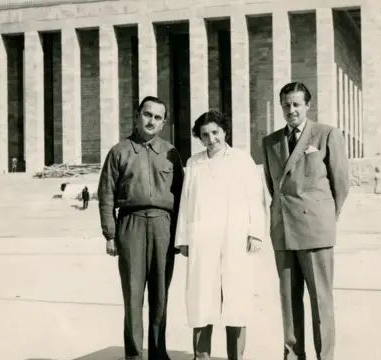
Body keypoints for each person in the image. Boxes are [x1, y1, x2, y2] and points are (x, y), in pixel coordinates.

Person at [262, 82, 349, 360]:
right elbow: (272, 184)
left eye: (296, 104)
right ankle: (292, 354)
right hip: (284, 230)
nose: (291, 110)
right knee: (289, 301)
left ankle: (325, 356)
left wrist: (324, 217)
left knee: (320, 300)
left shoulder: (325, 134)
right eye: (286, 105)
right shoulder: (271, 142)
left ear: (307, 105)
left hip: (315, 230)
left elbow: (342, 183)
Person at [175, 110, 267, 360]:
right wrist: (183, 239)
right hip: (202, 239)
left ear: (225, 131)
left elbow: (255, 199)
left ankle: (235, 356)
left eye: (215, 132)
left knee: (236, 299)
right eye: (205, 135)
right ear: (199, 138)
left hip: (234, 237)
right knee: (201, 298)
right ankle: (201, 356)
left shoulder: (242, 159)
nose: (211, 138)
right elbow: (186, 201)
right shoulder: (194, 163)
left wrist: (255, 233)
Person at [98, 96, 184, 360]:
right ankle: (134, 354)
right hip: (130, 223)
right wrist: (110, 234)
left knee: (160, 294)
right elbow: (106, 194)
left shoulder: (171, 152)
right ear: (137, 116)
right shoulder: (119, 151)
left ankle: (158, 352)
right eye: (147, 115)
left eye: (158, 118)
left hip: (163, 226)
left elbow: (182, 195)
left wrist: (180, 235)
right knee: (133, 293)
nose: (151, 121)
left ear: (164, 123)